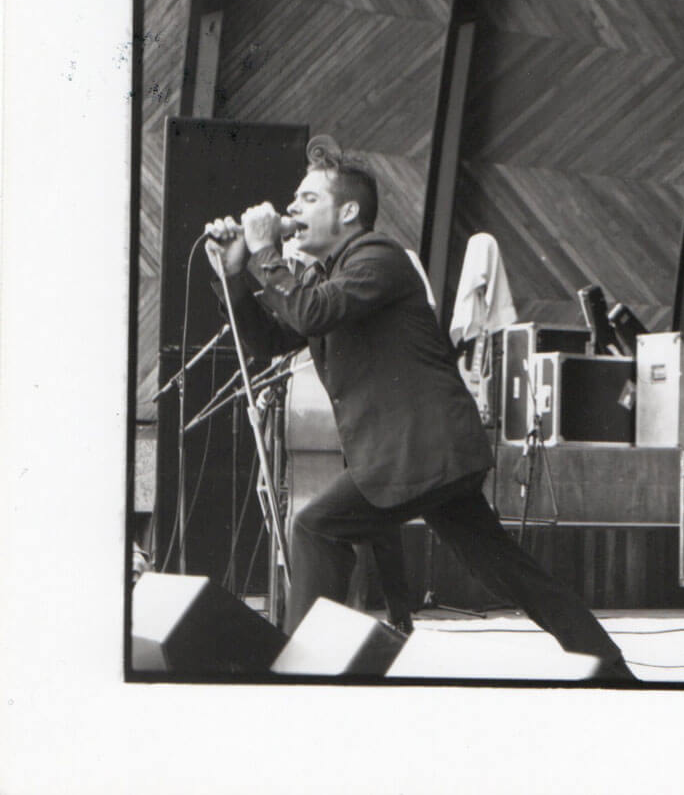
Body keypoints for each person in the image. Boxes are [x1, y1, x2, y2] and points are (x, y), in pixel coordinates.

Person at [204, 147, 635, 681]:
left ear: (348, 214)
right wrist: (234, 274)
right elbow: (273, 338)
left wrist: (266, 250)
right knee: (509, 571)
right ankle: (612, 669)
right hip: (428, 456)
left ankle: (305, 671)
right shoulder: (327, 276)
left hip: (420, 453)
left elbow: (313, 311)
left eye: (308, 197)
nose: (293, 206)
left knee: (318, 527)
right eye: (295, 198)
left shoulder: (379, 257)